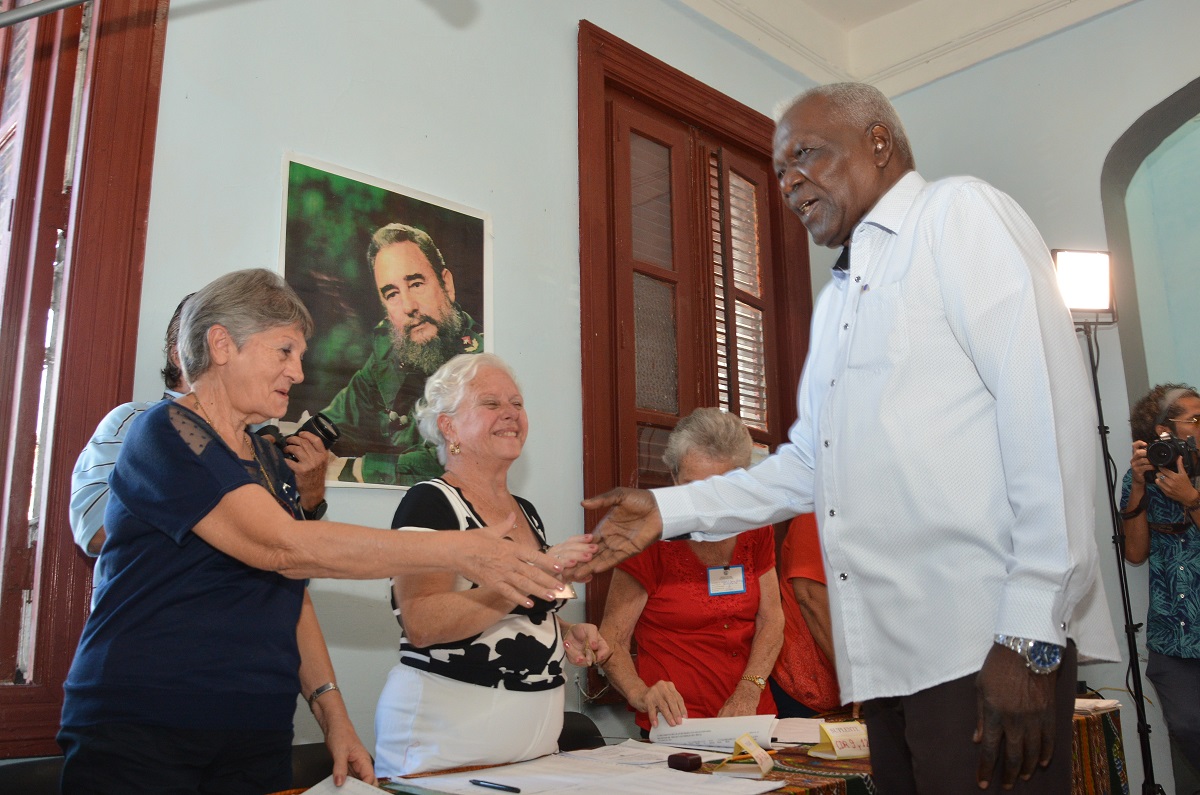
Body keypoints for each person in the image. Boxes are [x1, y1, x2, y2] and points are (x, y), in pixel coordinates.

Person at [578, 82, 1119, 793]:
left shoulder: (957, 216)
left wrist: (1029, 635)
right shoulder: (839, 297)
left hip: (981, 647)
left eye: (805, 154)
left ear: (878, 142)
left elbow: (1045, 418)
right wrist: (668, 509)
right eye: (779, 171)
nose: (788, 182)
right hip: (889, 670)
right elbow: (808, 464)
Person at [57, 270, 567, 795]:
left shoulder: (267, 459)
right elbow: (284, 547)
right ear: (222, 344)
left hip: (254, 726)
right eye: (284, 351)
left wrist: (333, 715)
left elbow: (289, 593)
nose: (298, 373)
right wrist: (458, 549)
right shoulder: (166, 430)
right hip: (145, 721)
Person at [374, 353, 610, 776]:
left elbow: (512, 610)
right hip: (446, 742)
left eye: (516, 403)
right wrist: (538, 573)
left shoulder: (526, 511)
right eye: (491, 404)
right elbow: (423, 622)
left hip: (535, 749)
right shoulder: (430, 503)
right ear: (448, 426)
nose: (511, 413)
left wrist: (564, 631)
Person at [68, 295, 328, 604]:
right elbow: (95, 530)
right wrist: (223, 477)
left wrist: (310, 500)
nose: (296, 373)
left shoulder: (260, 450)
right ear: (181, 355)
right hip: (158, 623)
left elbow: (291, 569)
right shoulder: (133, 422)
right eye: (282, 351)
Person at [598, 408, 782, 734]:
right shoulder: (648, 540)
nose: (705, 502)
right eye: (692, 487)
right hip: (677, 725)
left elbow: (771, 619)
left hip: (752, 715)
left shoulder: (754, 528)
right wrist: (640, 693)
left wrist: (749, 690)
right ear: (673, 479)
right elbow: (612, 639)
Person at [323, 223, 482, 486]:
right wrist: (302, 447)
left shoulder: (479, 364)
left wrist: (357, 469)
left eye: (416, 284)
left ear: (446, 284)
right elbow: (338, 420)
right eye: (392, 294)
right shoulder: (389, 352)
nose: (408, 306)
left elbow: (451, 458)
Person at [1120, 383, 1200, 781]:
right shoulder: (1142, 476)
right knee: (1186, 725)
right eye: (1195, 419)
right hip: (1172, 634)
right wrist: (1138, 486)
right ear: (1162, 430)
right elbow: (1135, 554)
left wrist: (1191, 498)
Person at [770, 513, 840, 717]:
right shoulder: (815, 515)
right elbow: (811, 599)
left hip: (859, 683)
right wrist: (858, 679)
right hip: (808, 682)